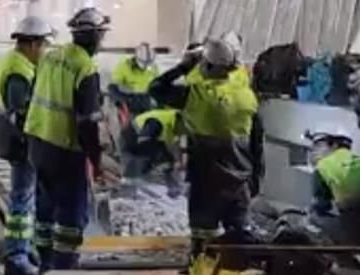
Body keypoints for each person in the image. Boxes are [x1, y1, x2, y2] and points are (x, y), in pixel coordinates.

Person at [149, 38, 263, 261]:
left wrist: (183, 66)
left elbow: (156, 88)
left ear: (207, 65)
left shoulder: (196, 95)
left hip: (206, 180)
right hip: (239, 180)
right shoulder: (247, 96)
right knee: (239, 242)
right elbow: (257, 140)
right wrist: (257, 177)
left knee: (203, 242)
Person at [24, 8, 109, 271]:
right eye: (102, 35)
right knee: (70, 216)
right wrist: (96, 161)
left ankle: (45, 264)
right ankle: (64, 271)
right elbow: (87, 123)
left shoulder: (51, 56)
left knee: (45, 209)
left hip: (38, 142)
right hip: (65, 149)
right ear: (95, 37)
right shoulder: (86, 68)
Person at [0, 16, 53, 275]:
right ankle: (16, 255)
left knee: (26, 198)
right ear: (32, 44)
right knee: (22, 199)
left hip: (13, 141)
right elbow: (22, 113)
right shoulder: (19, 71)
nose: (45, 50)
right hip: (21, 144)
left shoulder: (15, 61)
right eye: (44, 45)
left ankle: (24, 248)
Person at [120, 108, 183, 196]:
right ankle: (130, 181)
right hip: (132, 138)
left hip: (145, 140)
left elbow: (174, 145)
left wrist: (175, 160)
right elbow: (145, 140)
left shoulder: (172, 124)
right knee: (156, 152)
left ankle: (171, 185)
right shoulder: (157, 122)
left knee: (166, 157)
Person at [109, 42, 158, 116]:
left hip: (147, 100)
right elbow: (113, 87)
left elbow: (157, 83)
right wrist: (126, 99)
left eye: (148, 63)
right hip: (129, 99)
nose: (145, 66)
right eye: (144, 63)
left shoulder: (153, 67)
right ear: (137, 58)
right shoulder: (124, 66)